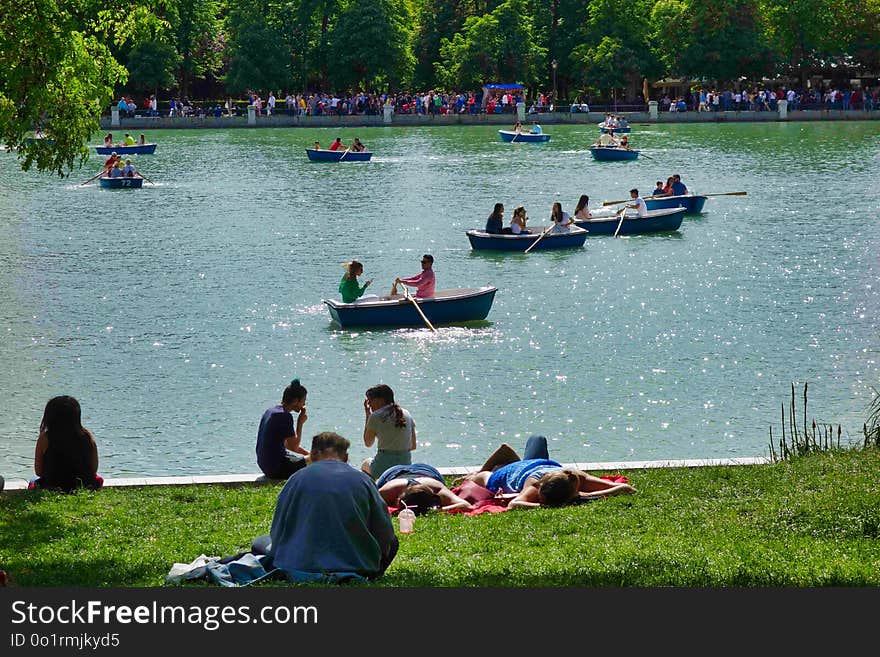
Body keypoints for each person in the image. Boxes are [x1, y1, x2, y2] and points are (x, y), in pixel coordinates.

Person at [254, 431, 398, 580]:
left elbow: (278, 530)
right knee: (393, 542)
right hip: (356, 564)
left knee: (259, 543)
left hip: (298, 563)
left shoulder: (296, 479)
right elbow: (384, 531)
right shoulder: (364, 481)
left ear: (313, 455)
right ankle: (372, 575)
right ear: (346, 457)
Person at [464, 435, 635, 509]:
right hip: (512, 472)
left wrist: (582, 496)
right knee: (481, 478)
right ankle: (502, 457)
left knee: (537, 439)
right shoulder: (533, 485)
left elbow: (624, 489)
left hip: (531, 465)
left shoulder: (575, 476)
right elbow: (515, 504)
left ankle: (507, 454)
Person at [31, 396, 102, 492]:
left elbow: (39, 471)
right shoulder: (87, 436)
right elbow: (94, 469)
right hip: (84, 485)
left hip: (53, 486)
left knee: (32, 481)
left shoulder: (45, 438)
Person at [255, 378, 309, 480]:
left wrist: (307, 454)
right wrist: (300, 423)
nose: (304, 405)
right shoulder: (284, 416)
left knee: (310, 458)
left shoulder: (271, 411)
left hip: (266, 466)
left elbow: (287, 445)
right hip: (277, 469)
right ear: (296, 401)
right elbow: (294, 446)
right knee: (315, 461)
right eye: (303, 401)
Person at [362, 384, 417, 480]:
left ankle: (372, 492)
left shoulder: (376, 416)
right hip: (405, 466)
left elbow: (368, 443)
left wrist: (368, 415)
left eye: (370, 400)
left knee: (365, 464)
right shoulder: (407, 413)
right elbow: (413, 446)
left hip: (383, 467)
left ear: (380, 399)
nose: (369, 404)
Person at [376, 463, 473, 514]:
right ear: (398, 500)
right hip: (395, 472)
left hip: (427, 471)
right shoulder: (390, 490)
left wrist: (438, 510)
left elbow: (466, 505)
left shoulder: (436, 489)